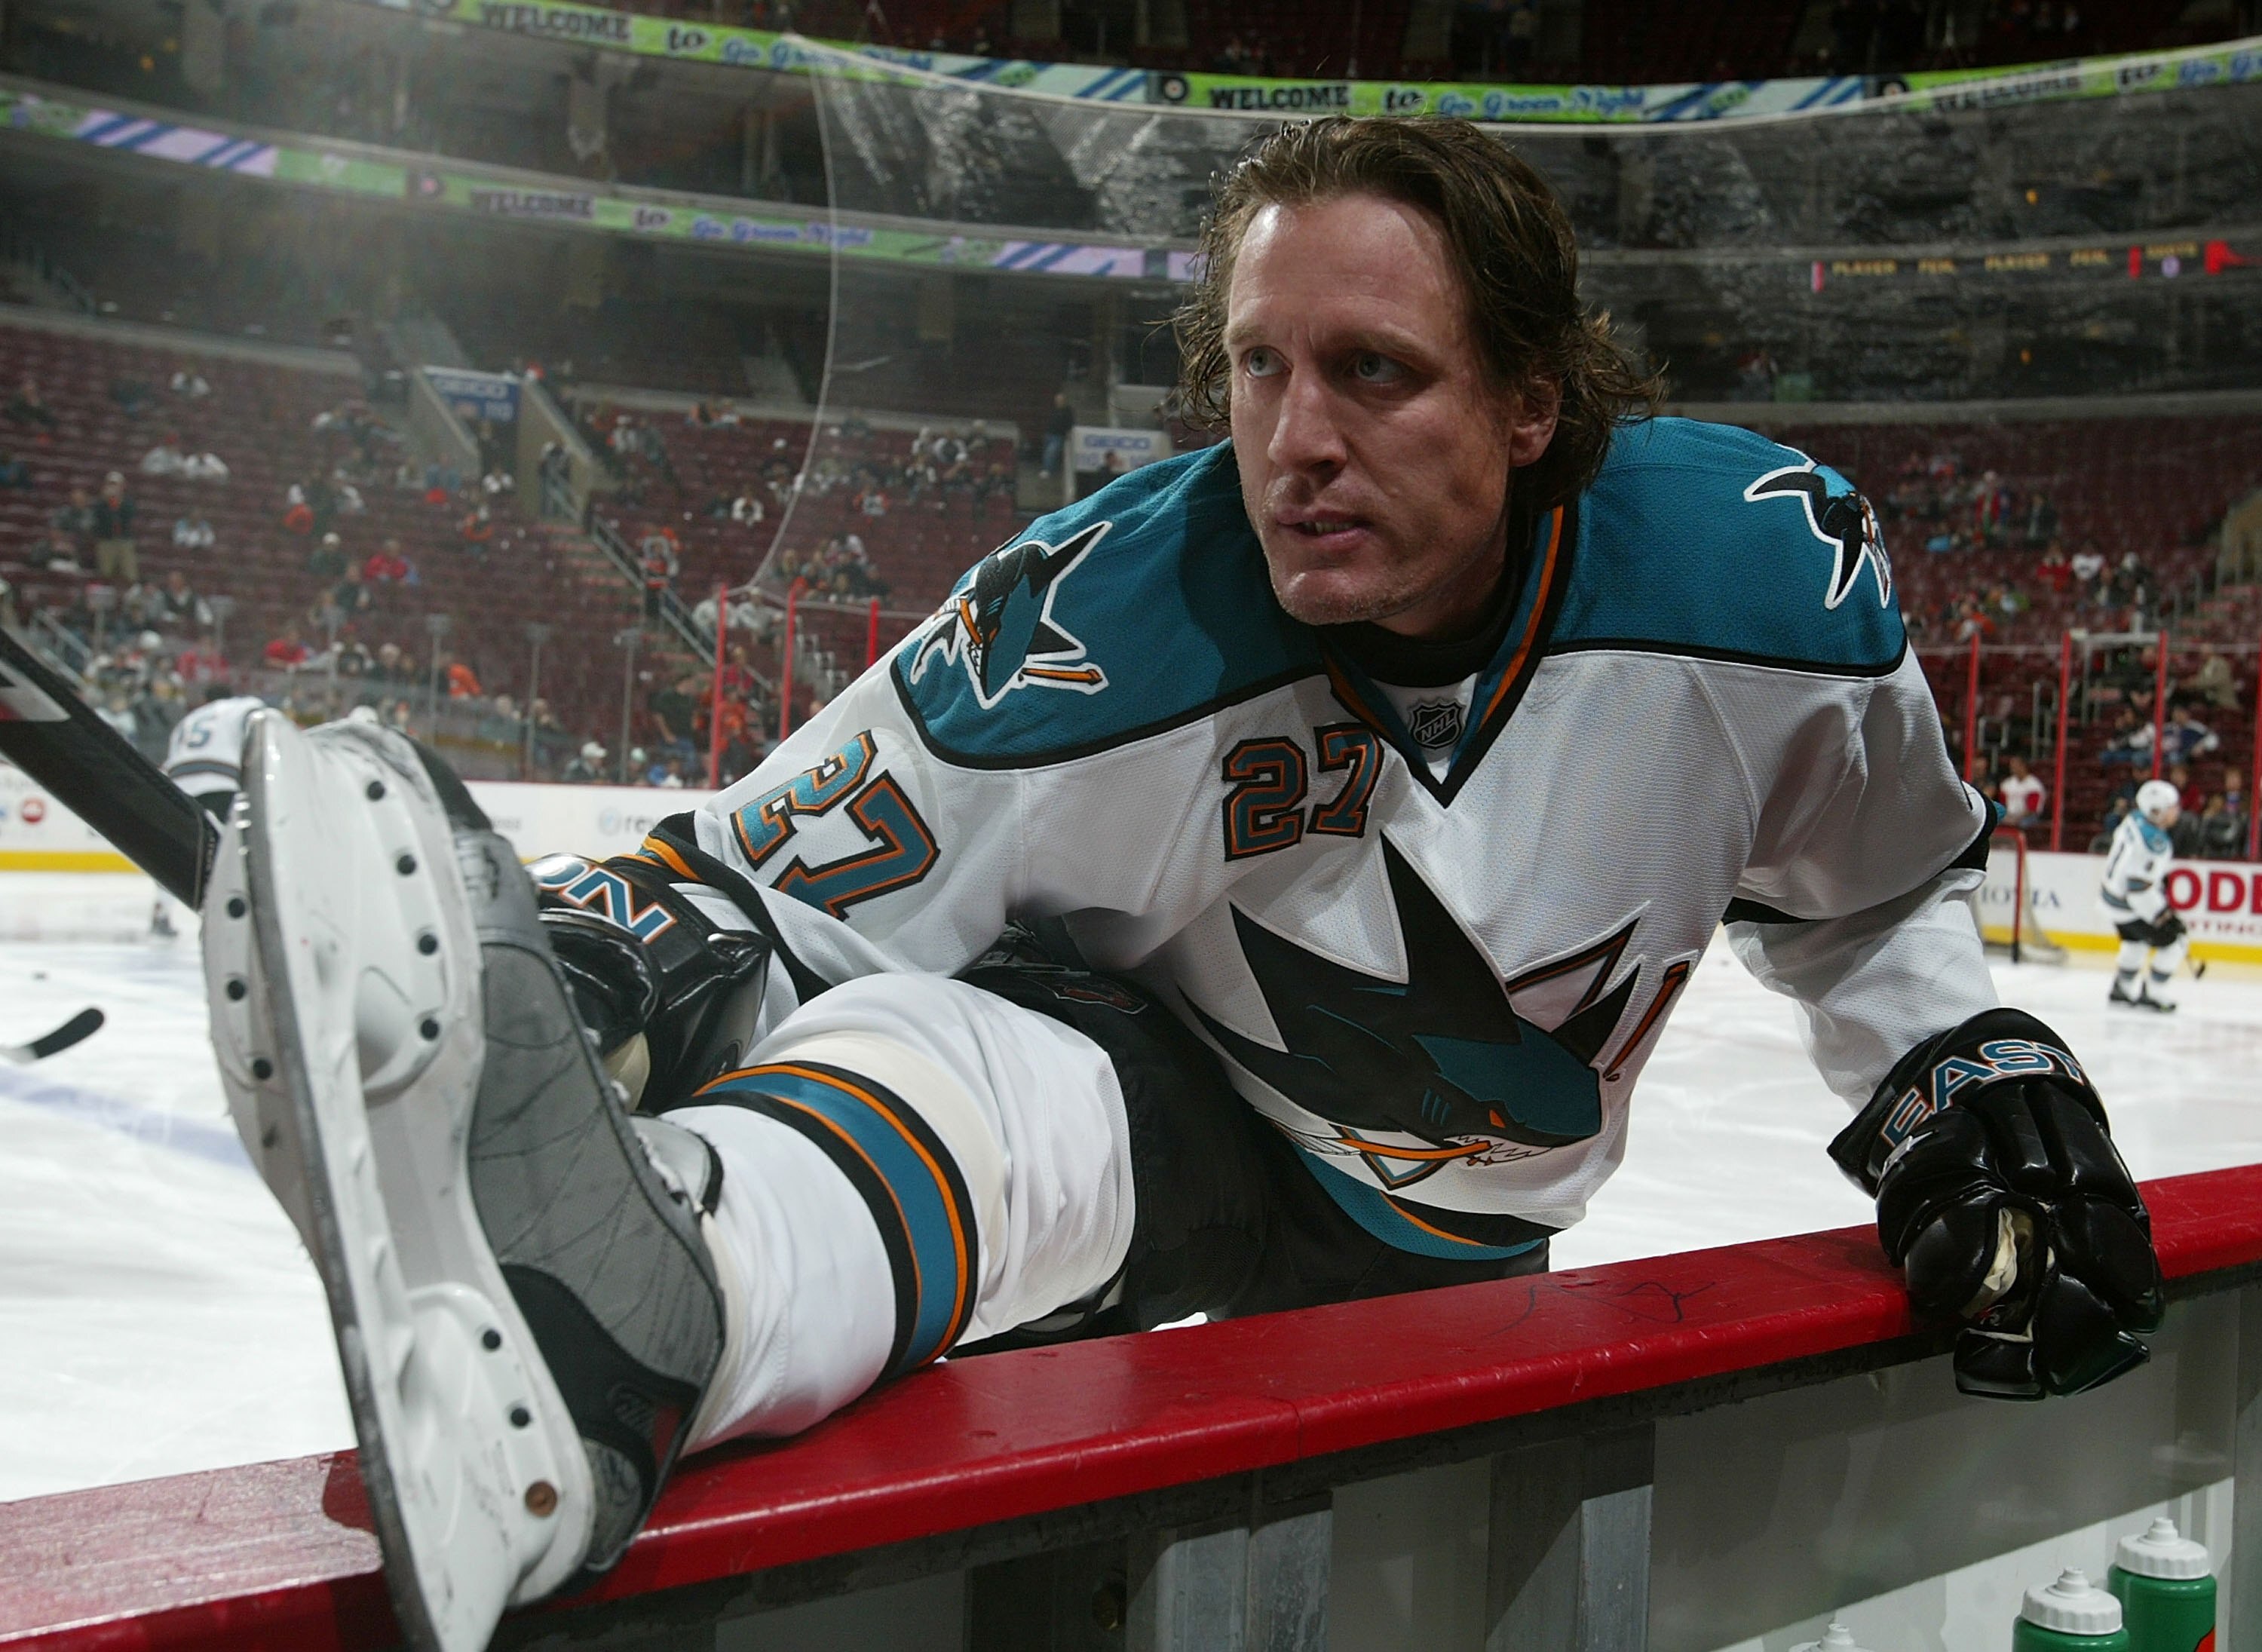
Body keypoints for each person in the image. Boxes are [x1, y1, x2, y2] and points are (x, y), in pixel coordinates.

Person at [209, 118, 2163, 1648]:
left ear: (1533, 403)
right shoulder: (1104, 623)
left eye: (1376, 372)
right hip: (1185, 1140)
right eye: (1258, 368)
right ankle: (622, 1325)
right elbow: (756, 874)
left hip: (1471, 1267)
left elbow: (1873, 882)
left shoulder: (1758, 584)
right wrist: (600, 978)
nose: (1296, 442)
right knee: (957, 1060)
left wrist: (1951, 1052)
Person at [153, 683, 265, 937]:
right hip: (220, 780)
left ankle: (161, 912)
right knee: (229, 852)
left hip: (178, 785)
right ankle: (234, 914)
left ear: (204, 699)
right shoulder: (243, 706)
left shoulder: (187, 721)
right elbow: (260, 729)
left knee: (173, 852)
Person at [2100, 778, 2190, 1011]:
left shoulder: (2135, 819)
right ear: (2157, 811)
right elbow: (2138, 890)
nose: (2176, 811)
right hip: (2129, 905)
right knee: (2176, 942)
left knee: (2135, 941)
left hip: (2110, 899)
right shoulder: (2155, 843)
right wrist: (2163, 916)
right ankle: (2154, 992)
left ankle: (2123, 986)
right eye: (2172, 807)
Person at [1997, 755, 2044, 828]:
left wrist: (2016, 819)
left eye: (2015, 764)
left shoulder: (2034, 785)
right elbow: (2002, 805)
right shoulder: (2006, 784)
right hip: (2009, 816)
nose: (2012, 767)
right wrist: (2007, 817)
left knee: (2023, 824)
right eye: (2011, 765)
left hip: (2028, 817)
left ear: (2023, 766)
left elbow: (2032, 809)